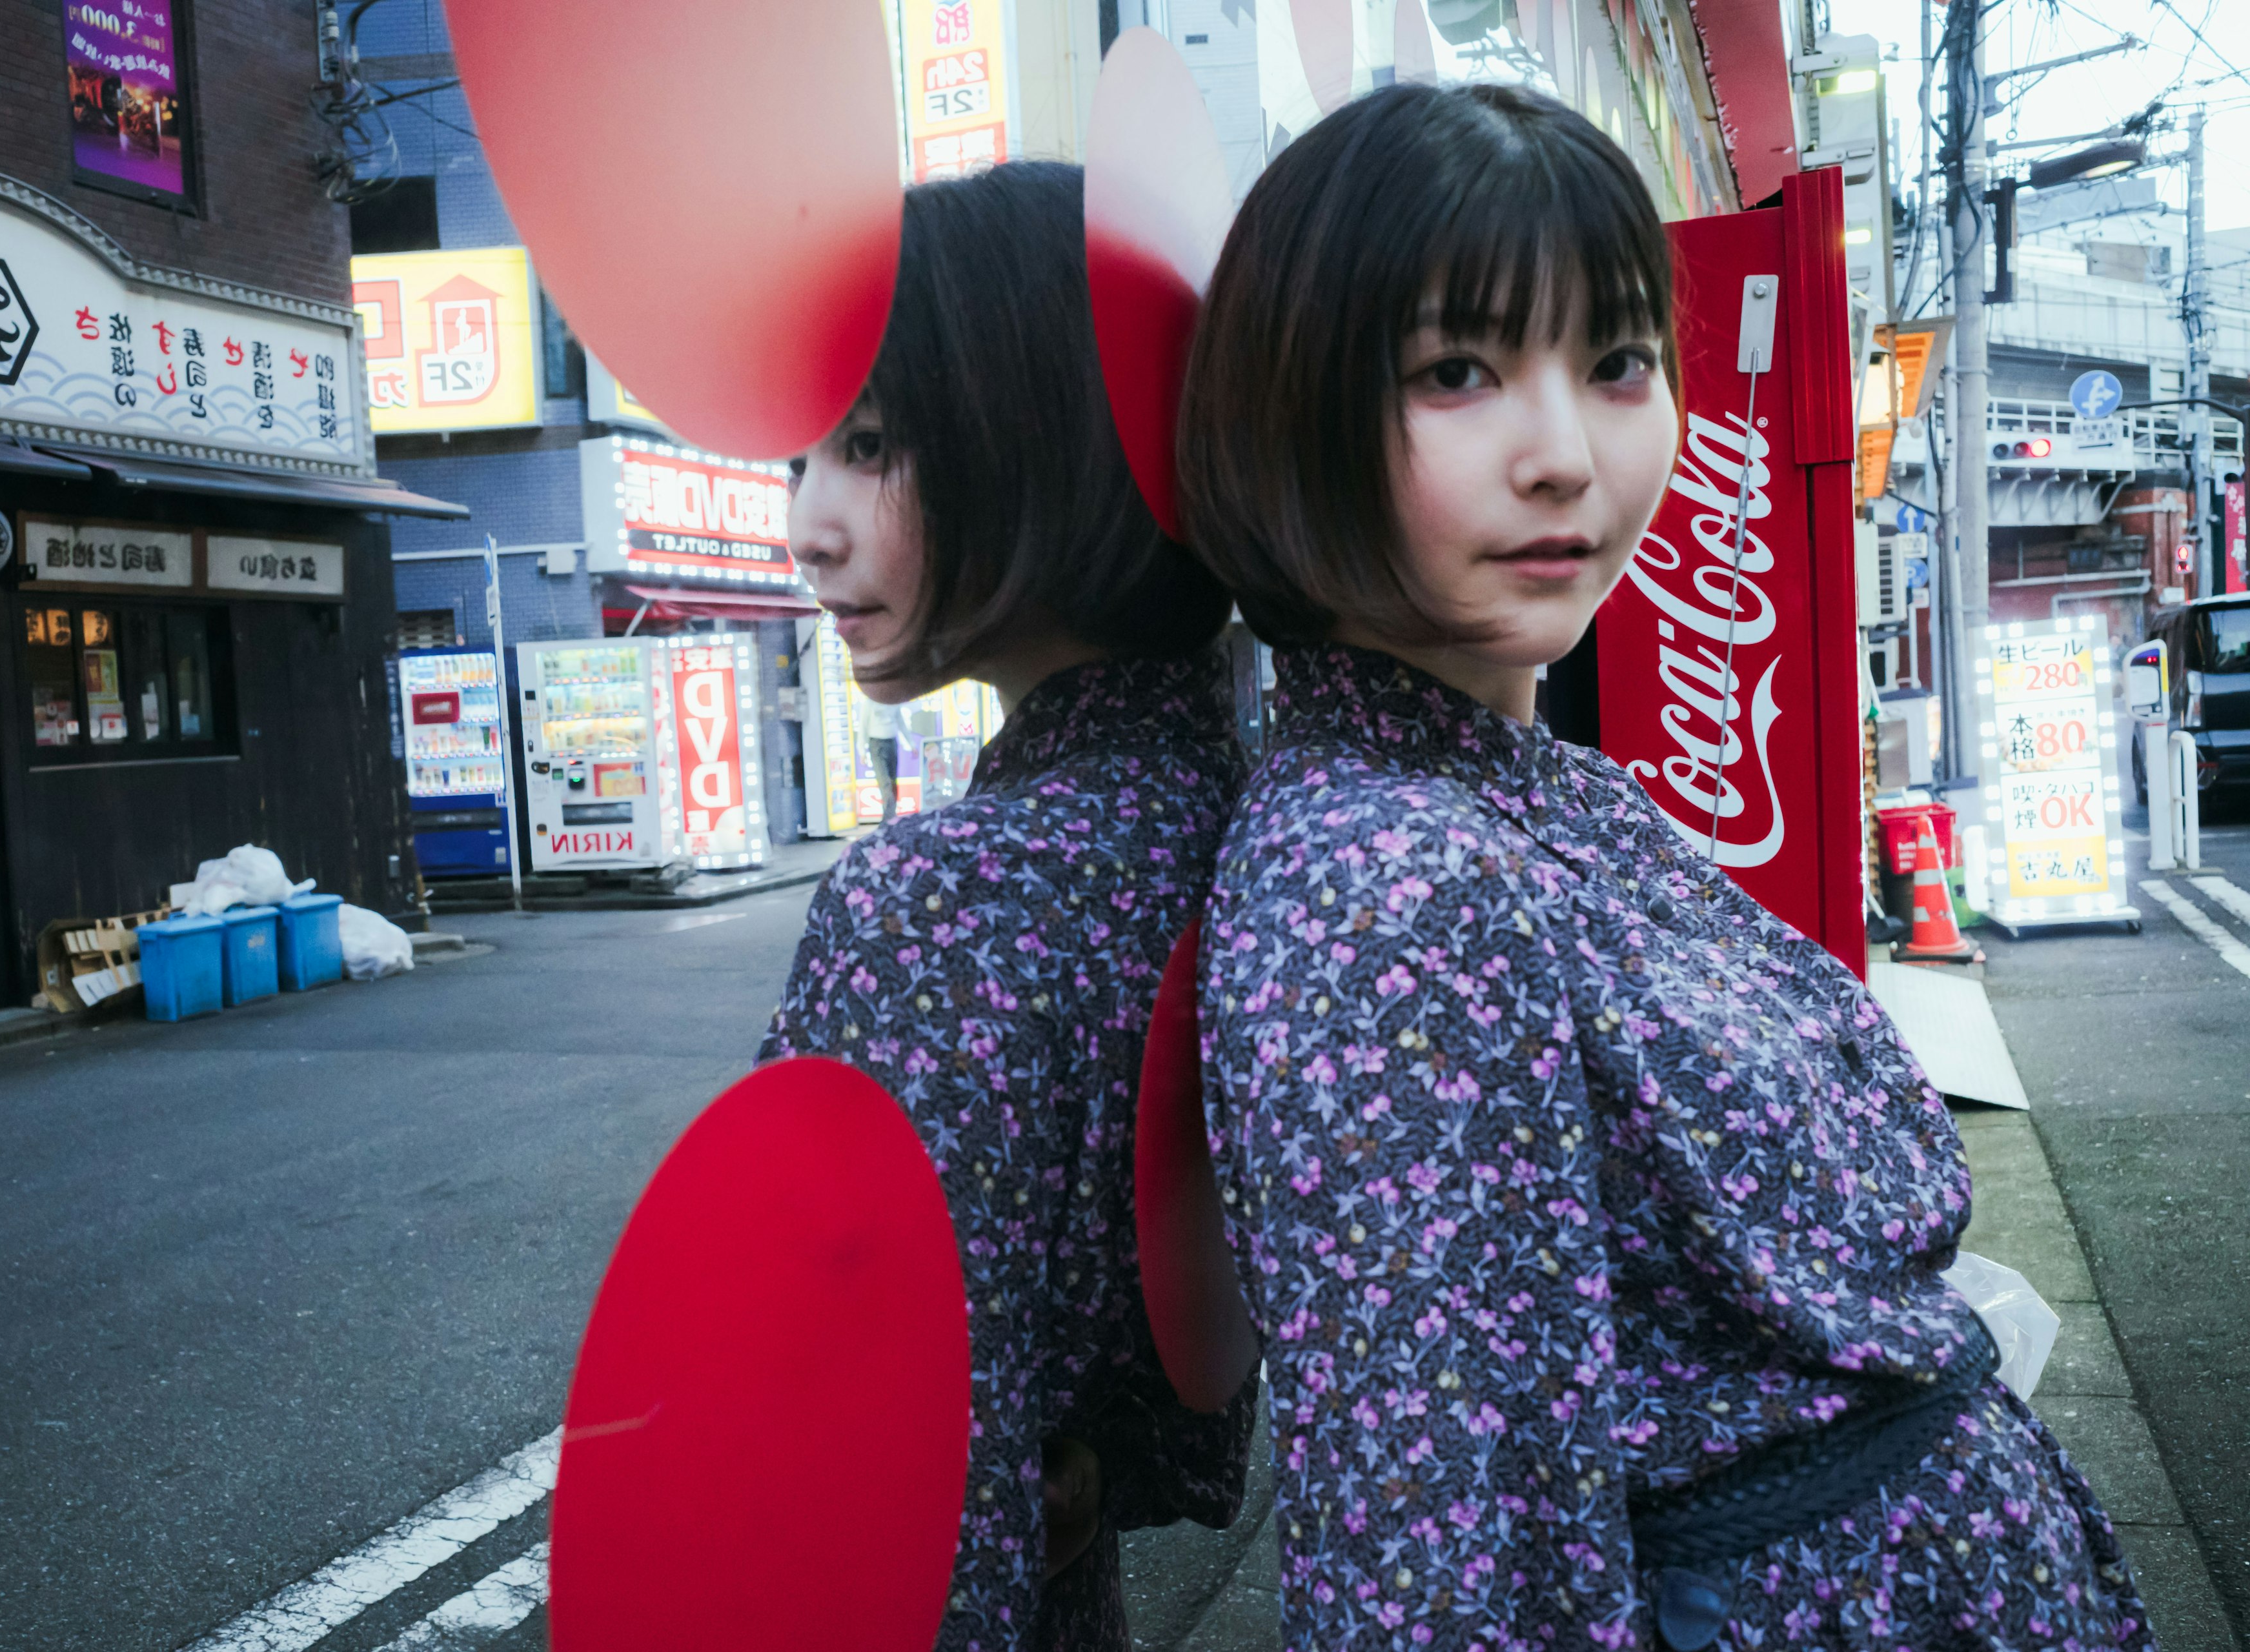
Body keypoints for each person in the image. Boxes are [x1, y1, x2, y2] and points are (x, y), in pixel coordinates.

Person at [1174, 83, 2153, 1652]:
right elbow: (1436, 1551)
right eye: (1454, 371)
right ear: (1285, 414)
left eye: (1618, 361)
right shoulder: (1388, 880)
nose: (1564, 453)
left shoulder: (1521, 784)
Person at [764, 160, 1257, 1651]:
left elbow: (866, 1464)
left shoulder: (941, 900)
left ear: (1039, 444)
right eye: (802, 457)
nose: (808, 523)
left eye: (869, 447)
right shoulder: (1250, 815)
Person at [862, 696, 903, 822]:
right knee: (885, 782)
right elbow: (863, 726)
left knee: (892, 781)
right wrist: (862, 751)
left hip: (892, 741)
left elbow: (901, 722)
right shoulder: (870, 702)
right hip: (876, 743)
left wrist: (911, 743)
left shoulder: (893, 700)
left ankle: (891, 816)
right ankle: (888, 818)